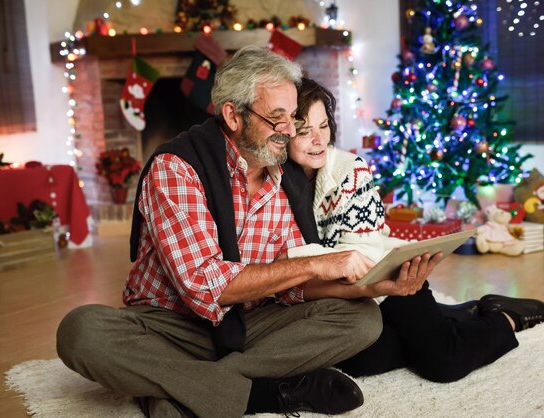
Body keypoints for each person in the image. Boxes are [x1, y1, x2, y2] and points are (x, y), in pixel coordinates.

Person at [55, 47, 442, 418]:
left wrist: (373, 288)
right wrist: (319, 264)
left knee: (361, 320)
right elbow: (206, 285)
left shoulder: (282, 177)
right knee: (81, 332)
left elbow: (291, 284)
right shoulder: (176, 169)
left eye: (294, 118)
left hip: (249, 320)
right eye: (278, 118)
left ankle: (186, 386)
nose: (290, 131)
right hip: (168, 325)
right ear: (234, 115)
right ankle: (261, 392)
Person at [286, 78, 544, 380]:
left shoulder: (349, 170)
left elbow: (358, 261)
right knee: (359, 362)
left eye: (323, 126)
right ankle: (451, 316)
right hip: (339, 305)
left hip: (389, 283)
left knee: (445, 363)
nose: (319, 139)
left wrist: (303, 262)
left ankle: (505, 317)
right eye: (304, 131)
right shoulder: (275, 180)